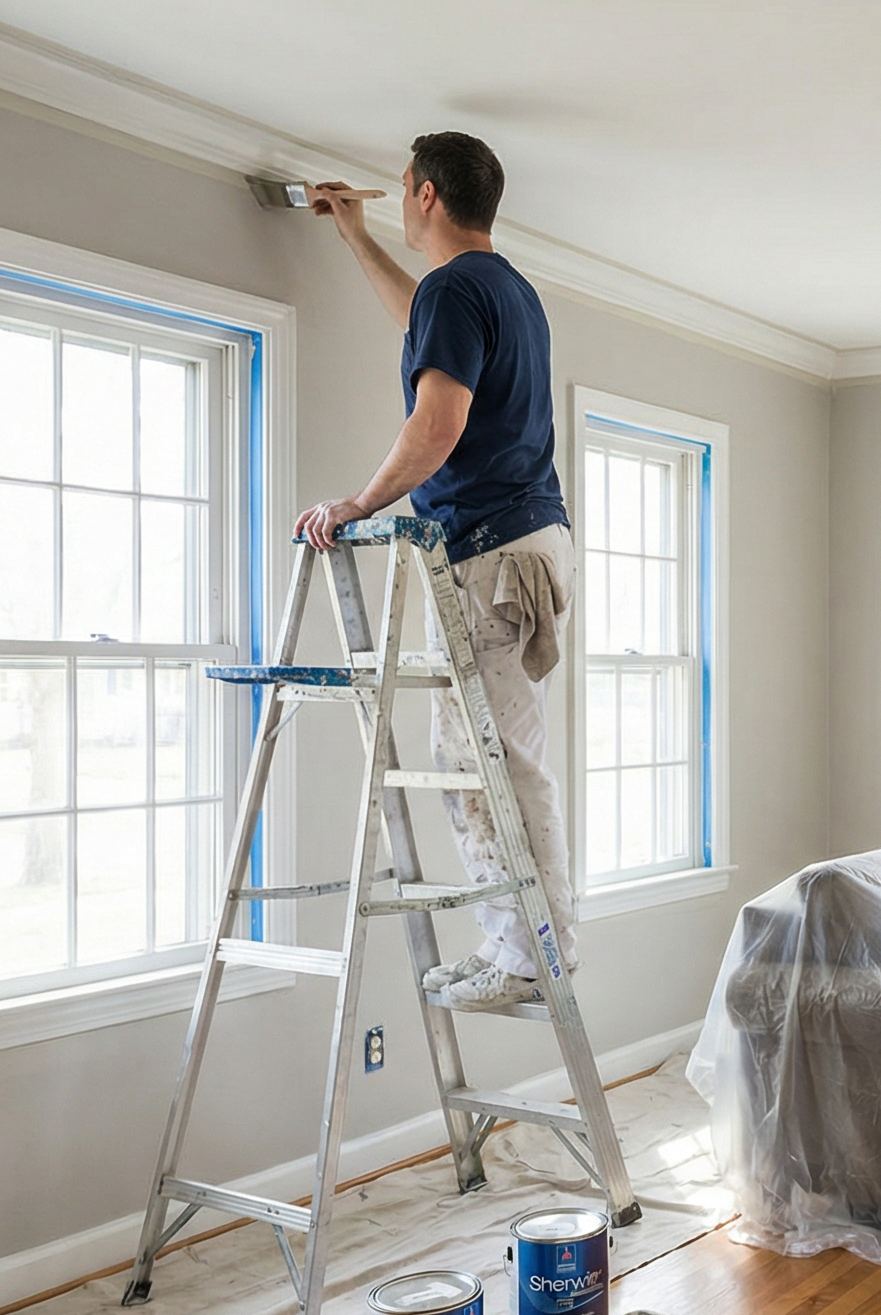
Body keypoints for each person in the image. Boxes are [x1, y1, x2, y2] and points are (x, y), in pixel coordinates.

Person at [293, 133, 578, 1013]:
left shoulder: (460, 291)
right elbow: (420, 313)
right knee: (493, 756)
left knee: (486, 762)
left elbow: (438, 423)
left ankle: (531, 956)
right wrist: (353, 236)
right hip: (527, 541)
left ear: (421, 194)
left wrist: (356, 505)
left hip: (486, 548)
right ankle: (527, 948)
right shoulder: (501, 290)